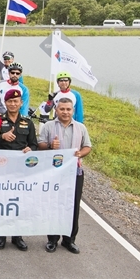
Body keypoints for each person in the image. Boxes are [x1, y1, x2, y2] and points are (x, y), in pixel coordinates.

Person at [39, 98, 92, 254]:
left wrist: (80, 154)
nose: (65, 112)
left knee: (73, 206)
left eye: (68, 109)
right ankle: (52, 240)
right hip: (54, 173)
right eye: (62, 109)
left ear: (72, 111)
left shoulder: (81, 128)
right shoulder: (49, 126)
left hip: (74, 173)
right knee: (54, 205)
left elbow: (87, 146)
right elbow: (39, 144)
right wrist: (49, 146)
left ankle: (69, 240)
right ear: (56, 110)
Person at [0, 89, 37, 251]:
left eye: (16, 101)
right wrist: (2, 136)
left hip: (22, 169)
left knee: (19, 202)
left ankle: (18, 236)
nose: (13, 104)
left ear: (21, 103)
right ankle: (1, 235)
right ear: (5, 103)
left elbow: (34, 144)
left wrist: (30, 149)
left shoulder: (27, 122)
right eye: (10, 101)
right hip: (3, 167)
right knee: (3, 202)